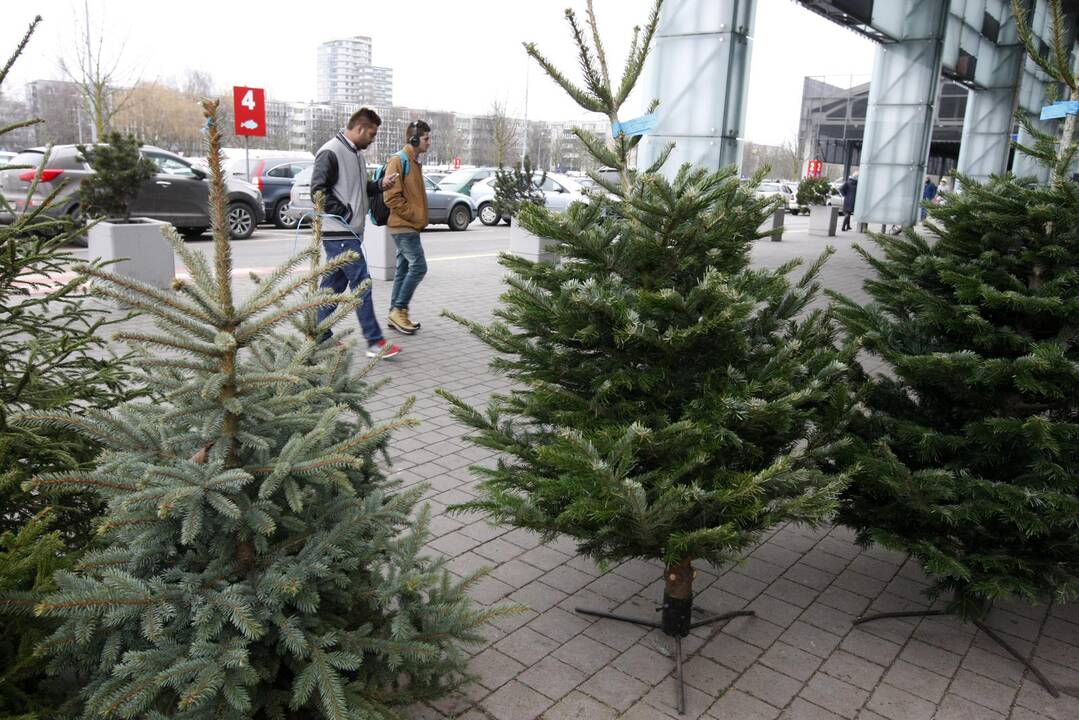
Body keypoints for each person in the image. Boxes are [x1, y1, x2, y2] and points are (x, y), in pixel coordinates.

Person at [311, 107, 401, 359]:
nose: (372, 140)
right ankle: (374, 342)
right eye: (371, 134)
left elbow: (357, 189)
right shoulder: (331, 151)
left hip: (348, 231)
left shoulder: (355, 154)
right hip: (339, 232)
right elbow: (318, 192)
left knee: (331, 288)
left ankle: (319, 336)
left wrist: (379, 185)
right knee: (362, 284)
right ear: (360, 129)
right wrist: (346, 214)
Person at [383, 120, 431, 335]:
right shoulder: (399, 160)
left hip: (409, 226)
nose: (429, 143)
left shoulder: (414, 162)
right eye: (426, 138)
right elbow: (391, 197)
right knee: (419, 267)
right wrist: (414, 216)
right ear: (414, 139)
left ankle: (395, 313)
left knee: (403, 270)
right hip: (403, 226)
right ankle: (399, 309)